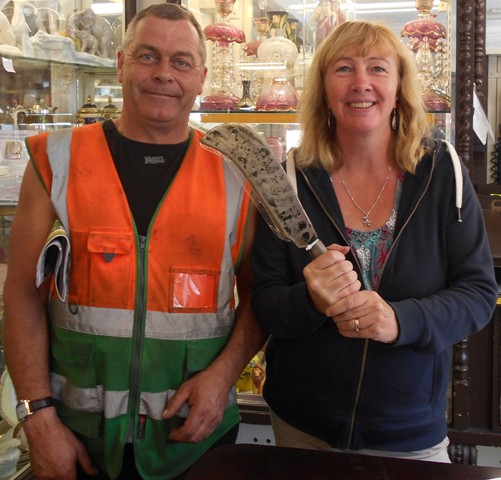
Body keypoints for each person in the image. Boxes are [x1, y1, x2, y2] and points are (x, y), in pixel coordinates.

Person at [2, 3, 265, 479]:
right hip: (77, 440)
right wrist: (36, 415)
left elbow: (260, 296)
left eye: (181, 61)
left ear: (202, 77)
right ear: (121, 64)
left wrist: (225, 374)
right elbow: (21, 292)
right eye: (148, 56)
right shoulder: (55, 161)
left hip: (194, 441)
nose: (164, 73)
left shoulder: (235, 174)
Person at [251, 20, 498, 463]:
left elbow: (479, 293)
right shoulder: (289, 180)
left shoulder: (443, 173)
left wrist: (403, 321)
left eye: (378, 68)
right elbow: (264, 301)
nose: (361, 83)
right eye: (343, 68)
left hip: (410, 431)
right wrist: (310, 300)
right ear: (324, 88)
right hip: (302, 427)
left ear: (400, 84)